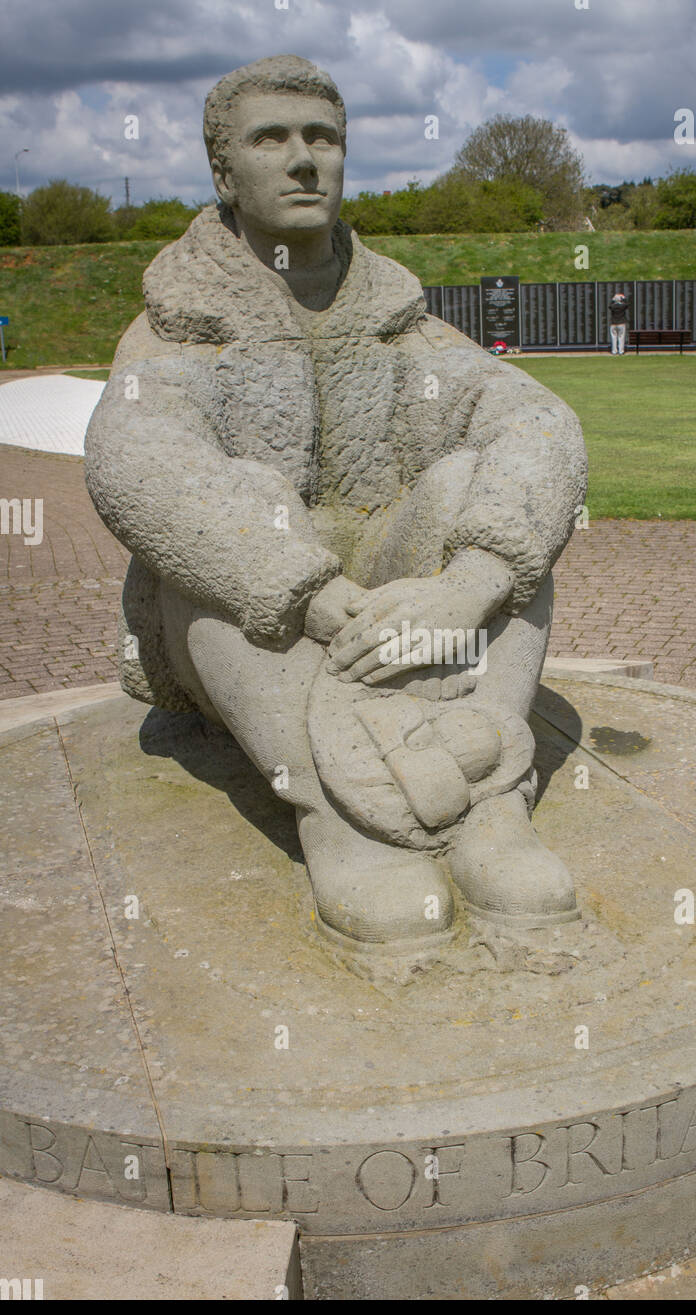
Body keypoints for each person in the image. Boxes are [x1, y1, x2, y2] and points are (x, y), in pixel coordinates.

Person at [85, 55, 588, 958]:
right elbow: (137, 462)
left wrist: (469, 583)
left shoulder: (401, 322)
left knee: (487, 496)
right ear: (223, 170)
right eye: (269, 138)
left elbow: (540, 422)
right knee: (244, 507)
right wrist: (309, 590)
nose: (303, 159)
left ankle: (485, 798)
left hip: (404, 609)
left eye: (323, 138)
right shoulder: (175, 327)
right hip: (245, 640)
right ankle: (342, 817)